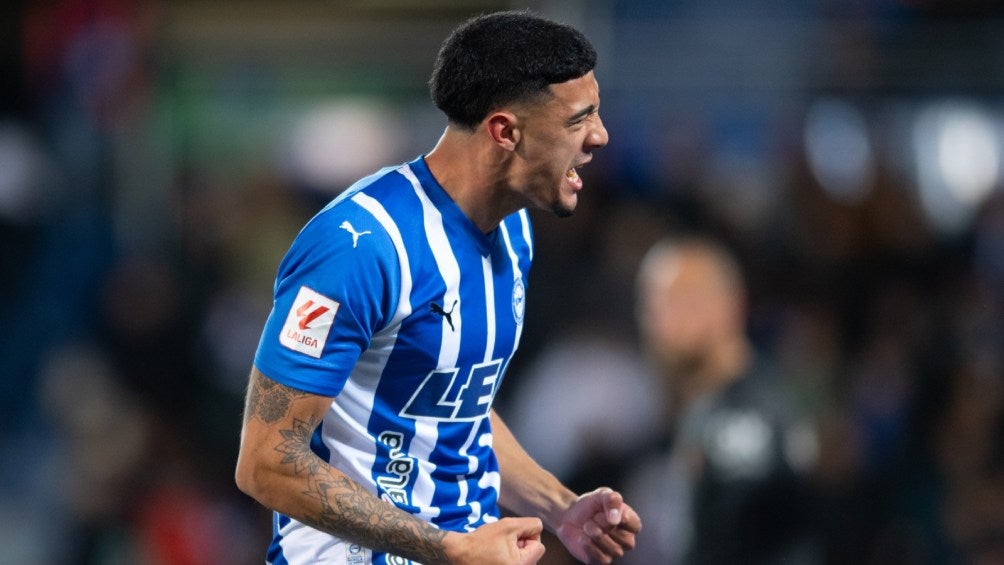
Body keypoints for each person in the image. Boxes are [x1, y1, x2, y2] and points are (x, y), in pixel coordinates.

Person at [234, 10, 641, 565]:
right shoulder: (360, 245)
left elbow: (453, 407)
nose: (600, 136)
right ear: (505, 131)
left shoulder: (514, 229)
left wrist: (559, 506)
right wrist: (449, 548)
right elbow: (266, 463)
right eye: (579, 120)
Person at [621, 236, 818, 565]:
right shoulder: (691, 411)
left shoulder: (751, 416)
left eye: (682, 300)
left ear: (733, 304)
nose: (662, 319)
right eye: (653, 304)